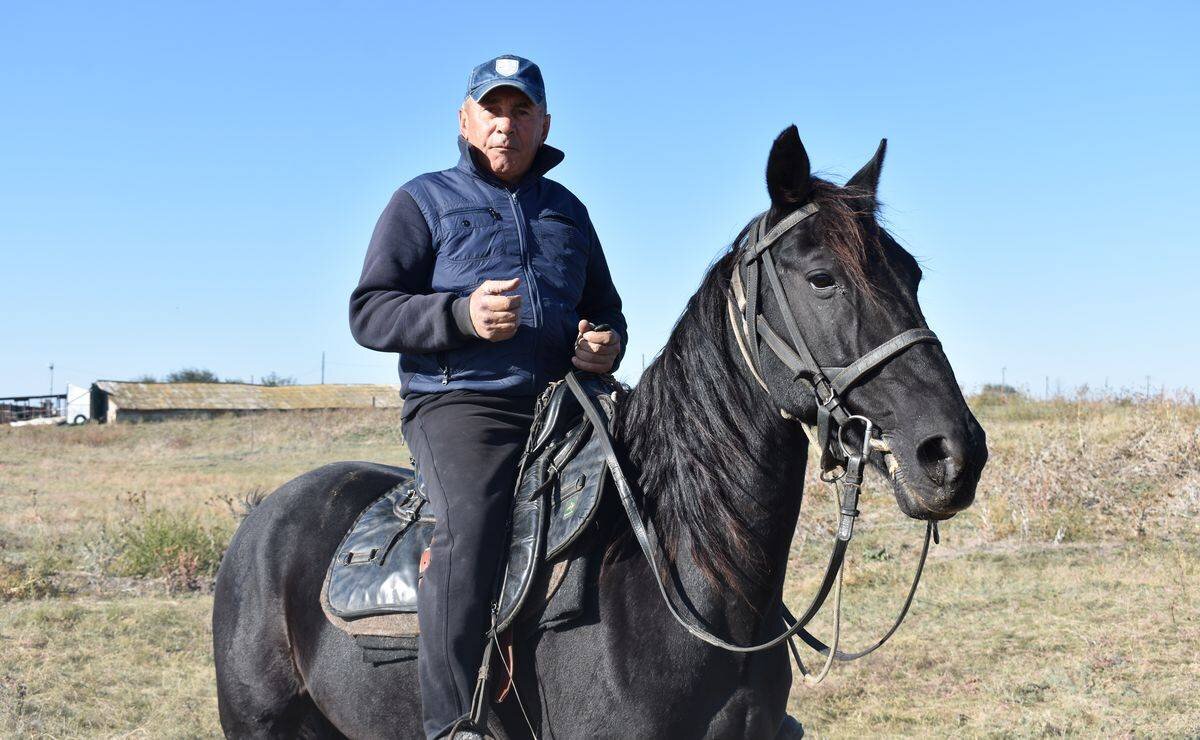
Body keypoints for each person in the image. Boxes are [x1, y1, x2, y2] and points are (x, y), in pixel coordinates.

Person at [349, 54, 628, 739]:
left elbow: (608, 311)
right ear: (466, 119)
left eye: (521, 111)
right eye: (493, 110)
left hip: (570, 402)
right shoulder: (422, 202)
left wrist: (606, 345)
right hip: (462, 403)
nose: (506, 124)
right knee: (470, 526)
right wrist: (460, 317)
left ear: (544, 123)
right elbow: (370, 313)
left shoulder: (569, 212)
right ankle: (453, 723)